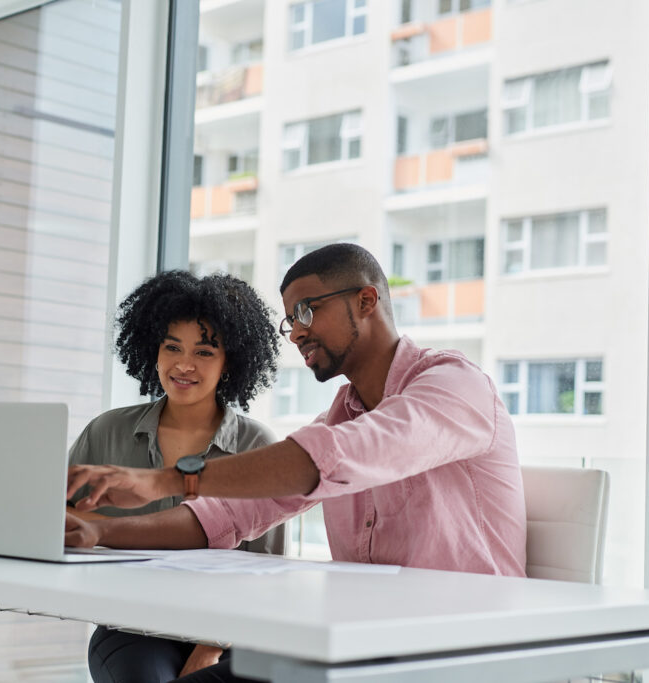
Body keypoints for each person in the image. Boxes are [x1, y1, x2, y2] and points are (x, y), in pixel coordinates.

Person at [65, 243, 527, 683]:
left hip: (457, 650)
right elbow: (227, 514)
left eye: (307, 310)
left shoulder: (452, 385)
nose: (297, 332)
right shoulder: (339, 418)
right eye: (290, 321)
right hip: (359, 647)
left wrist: (164, 480)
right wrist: (101, 531)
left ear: (366, 300)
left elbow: (344, 453)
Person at [68, 269, 284, 682]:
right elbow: (58, 520)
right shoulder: (107, 431)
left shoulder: (258, 446)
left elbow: (264, 575)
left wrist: (209, 648)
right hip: (131, 627)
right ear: (154, 350)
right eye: (172, 347)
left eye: (204, 352)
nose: (184, 365)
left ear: (230, 362)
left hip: (228, 635)